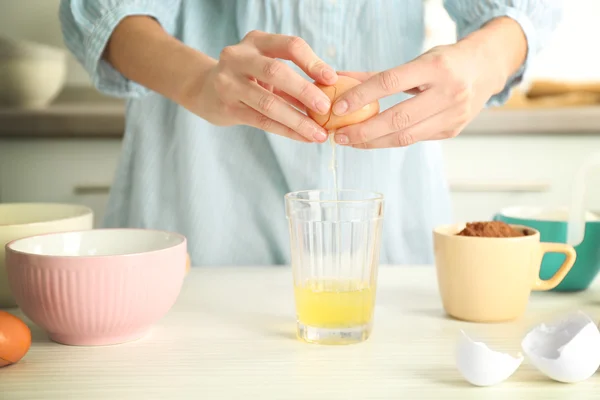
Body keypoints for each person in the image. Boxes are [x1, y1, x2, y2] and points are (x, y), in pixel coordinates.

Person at [59, 0, 562, 266]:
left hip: (389, 214)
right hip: (199, 192)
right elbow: (105, 12)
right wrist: (197, 80)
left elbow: (521, 12)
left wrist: (482, 62)